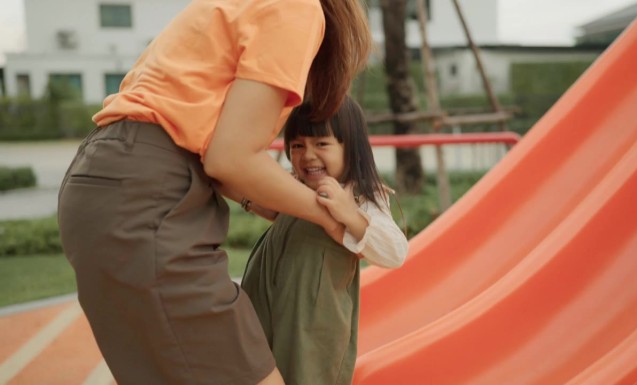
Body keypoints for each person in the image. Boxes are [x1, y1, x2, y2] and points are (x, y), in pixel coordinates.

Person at [56, 0, 372, 384]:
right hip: (147, 195)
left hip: (101, 180)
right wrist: (332, 218)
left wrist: (269, 202)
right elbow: (231, 159)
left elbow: (218, 162)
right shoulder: (297, 7)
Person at [240, 96, 408, 385]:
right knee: (254, 368)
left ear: (350, 148)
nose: (308, 155)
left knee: (307, 374)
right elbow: (266, 201)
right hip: (266, 298)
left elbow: (395, 251)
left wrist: (349, 214)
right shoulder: (294, 185)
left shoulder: (358, 194)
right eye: (297, 145)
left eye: (322, 144)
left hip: (314, 319)